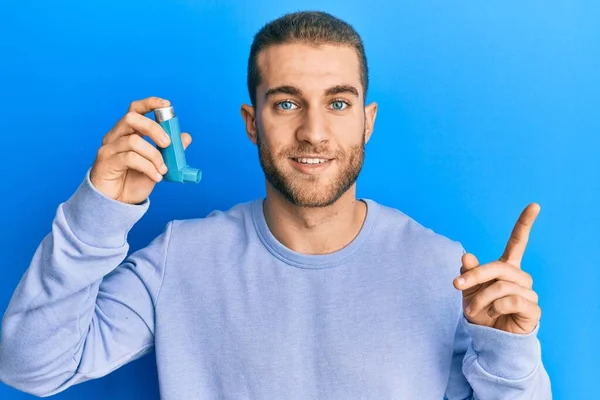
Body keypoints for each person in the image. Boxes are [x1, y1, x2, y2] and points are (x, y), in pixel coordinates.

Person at [0, 10, 551, 399]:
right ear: (252, 123)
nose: (313, 132)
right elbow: (31, 368)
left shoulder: (445, 271)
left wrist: (509, 349)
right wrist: (97, 215)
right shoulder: (180, 260)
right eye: (286, 102)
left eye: (338, 102)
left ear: (368, 120)